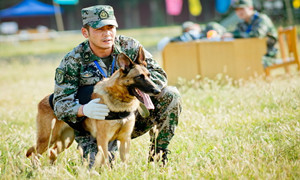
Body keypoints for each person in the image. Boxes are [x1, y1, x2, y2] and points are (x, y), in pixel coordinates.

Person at [52, 5, 181, 167]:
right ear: (86, 32)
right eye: (99, 29)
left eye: (110, 27)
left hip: (131, 116)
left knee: (171, 94)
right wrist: (83, 109)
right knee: (101, 168)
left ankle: (158, 155)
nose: (107, 34)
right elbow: (59, 104)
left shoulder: (130, 47)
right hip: (96, 124)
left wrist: (133, 93)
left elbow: (158, 75)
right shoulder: (73, 60)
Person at [222, 0, 278, 67]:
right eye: (237, 10)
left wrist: (235, 35)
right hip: (251, 53)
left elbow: (257, 35)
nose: (239, 12)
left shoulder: (261, 19)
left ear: (250, 8)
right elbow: (235, 33)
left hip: (267, 55)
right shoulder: (242, 23)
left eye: (242, 9)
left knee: (243, 63)